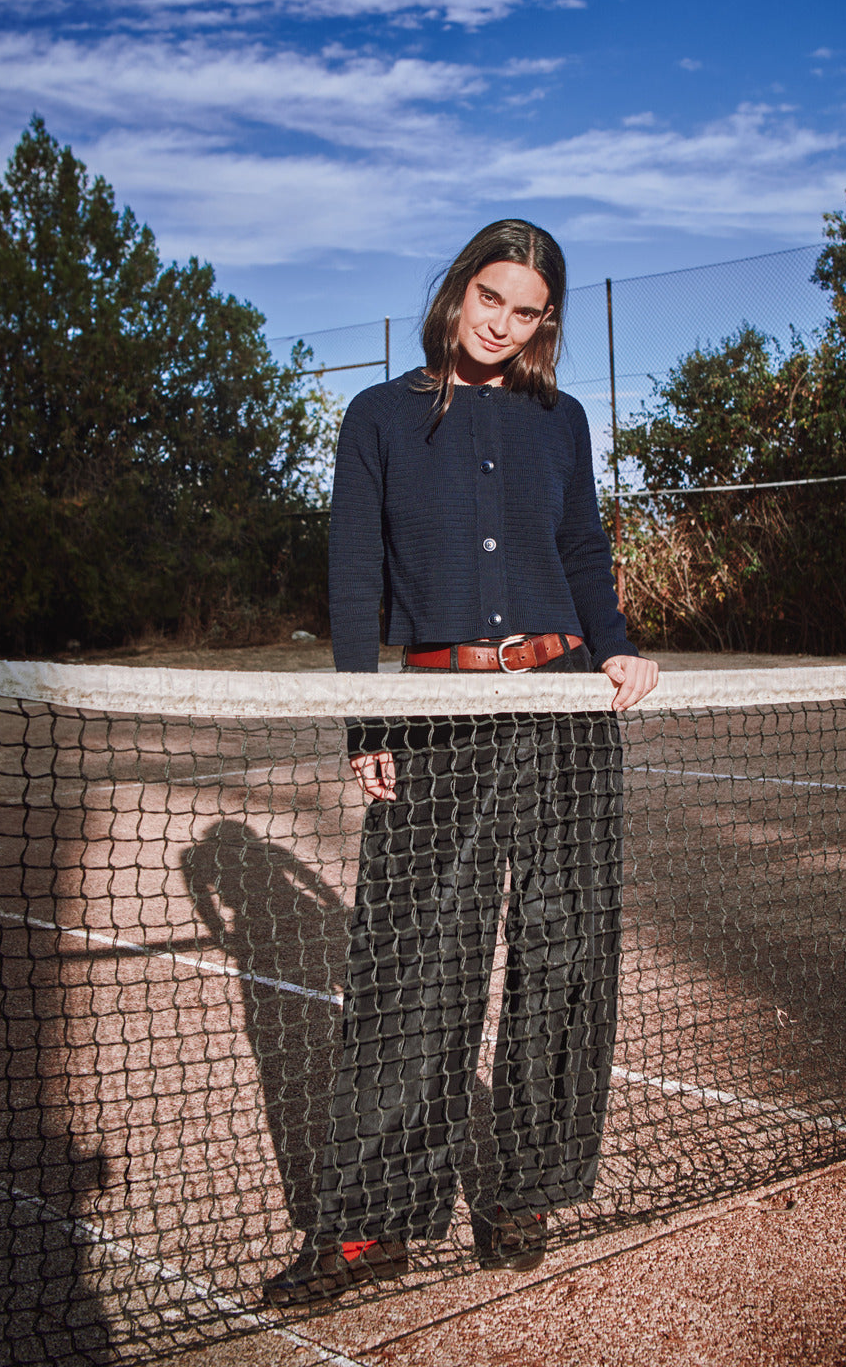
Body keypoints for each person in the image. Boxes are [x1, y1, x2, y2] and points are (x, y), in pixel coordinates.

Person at [263, 219, 658, 1310]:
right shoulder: (377, 416)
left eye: (526, 310)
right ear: (457, 289)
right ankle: (368, 1227)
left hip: (567, 710)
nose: (503, 322)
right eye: (490, 296)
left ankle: (523, 1188)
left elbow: (581, 548)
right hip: (437, 714)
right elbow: (353, 577)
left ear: (544, 321)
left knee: (561, 950)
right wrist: (365, 718)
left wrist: (614, 644)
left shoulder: (560, 420)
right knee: (410, 972)